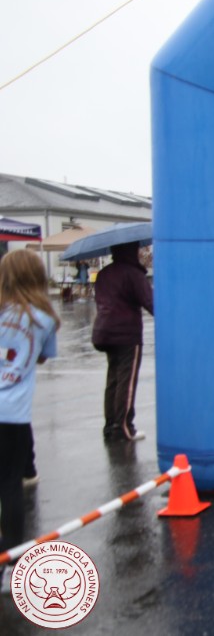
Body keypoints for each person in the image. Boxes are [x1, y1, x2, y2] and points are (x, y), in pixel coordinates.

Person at [0, 251, 59, 593]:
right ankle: (10, 567)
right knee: (10, 486)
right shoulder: (44, 318)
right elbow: (42, 357)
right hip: (12, 415)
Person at [93, 242, 154, 442]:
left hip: (103, 331)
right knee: (126, 381)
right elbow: (151, 303)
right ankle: (124, 427)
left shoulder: (104, 274)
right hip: (127, 334)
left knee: (113, 379)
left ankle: (110, 425)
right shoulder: (133, 274)